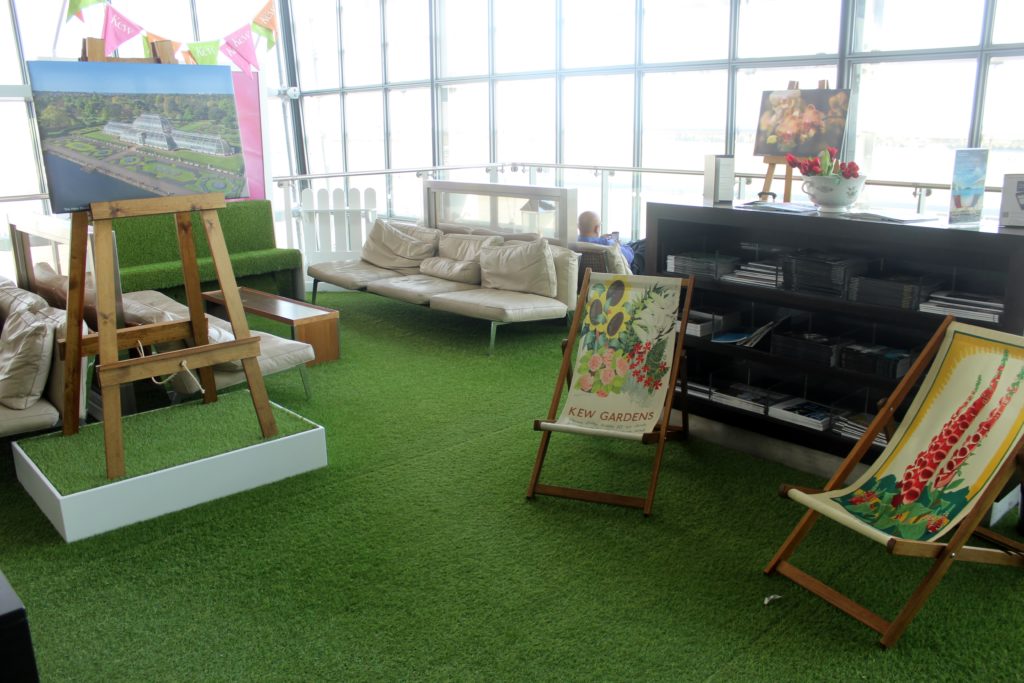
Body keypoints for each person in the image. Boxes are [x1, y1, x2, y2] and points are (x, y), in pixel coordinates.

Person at [576, 210, 645, 274]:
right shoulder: (607, 244)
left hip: (591, 279)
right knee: (644, 244)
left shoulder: (574, 244)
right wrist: (617, 244)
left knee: (635, 244)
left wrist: (600, 239)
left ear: (578, 227)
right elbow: (630, 256)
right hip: (632, 267)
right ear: (597, 229)